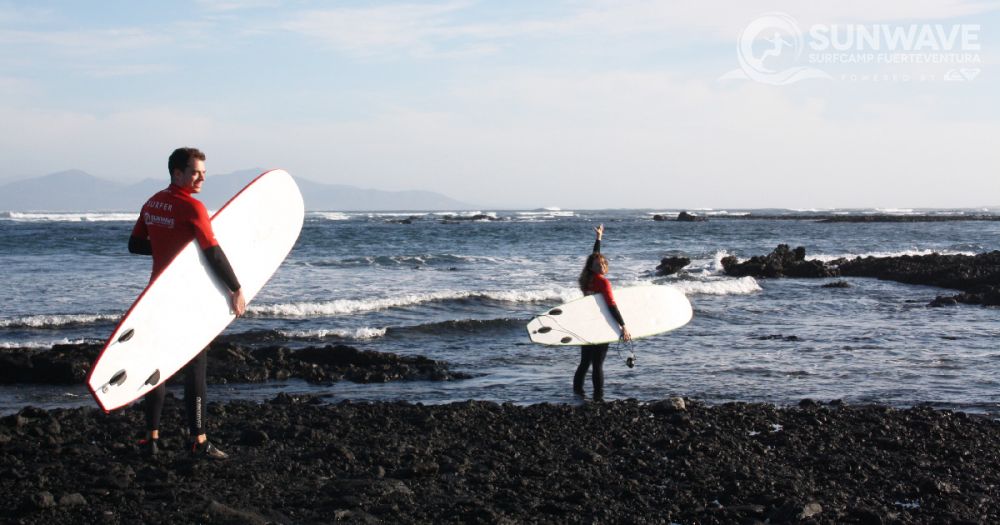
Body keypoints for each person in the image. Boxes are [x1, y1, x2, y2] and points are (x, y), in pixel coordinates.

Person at [128, 147, 246, 459]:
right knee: (195, 369)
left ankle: (149, 439)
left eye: (204, 174)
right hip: (185, 301)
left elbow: (136, 244)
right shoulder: (193, 208)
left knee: (157, 368)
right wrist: (235, 288)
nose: (201, 179)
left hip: (156, 296)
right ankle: (198, 440)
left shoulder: (152, 202)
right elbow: (213, 252)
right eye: (195, 173)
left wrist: (169, 251)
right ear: (177, 173)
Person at [574, 224, 631, 401]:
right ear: (594, 267)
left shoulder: (587, 278)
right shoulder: (603, 282)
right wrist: (623, 326)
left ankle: (577, 394)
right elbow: (611, 305)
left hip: (586, 323)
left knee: (585, 362)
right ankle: (598, 398)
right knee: (598, 364)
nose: (603, 265)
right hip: (600, 323)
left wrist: (599, 239)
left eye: (605, 262)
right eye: (600, 264)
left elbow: (593, 257)